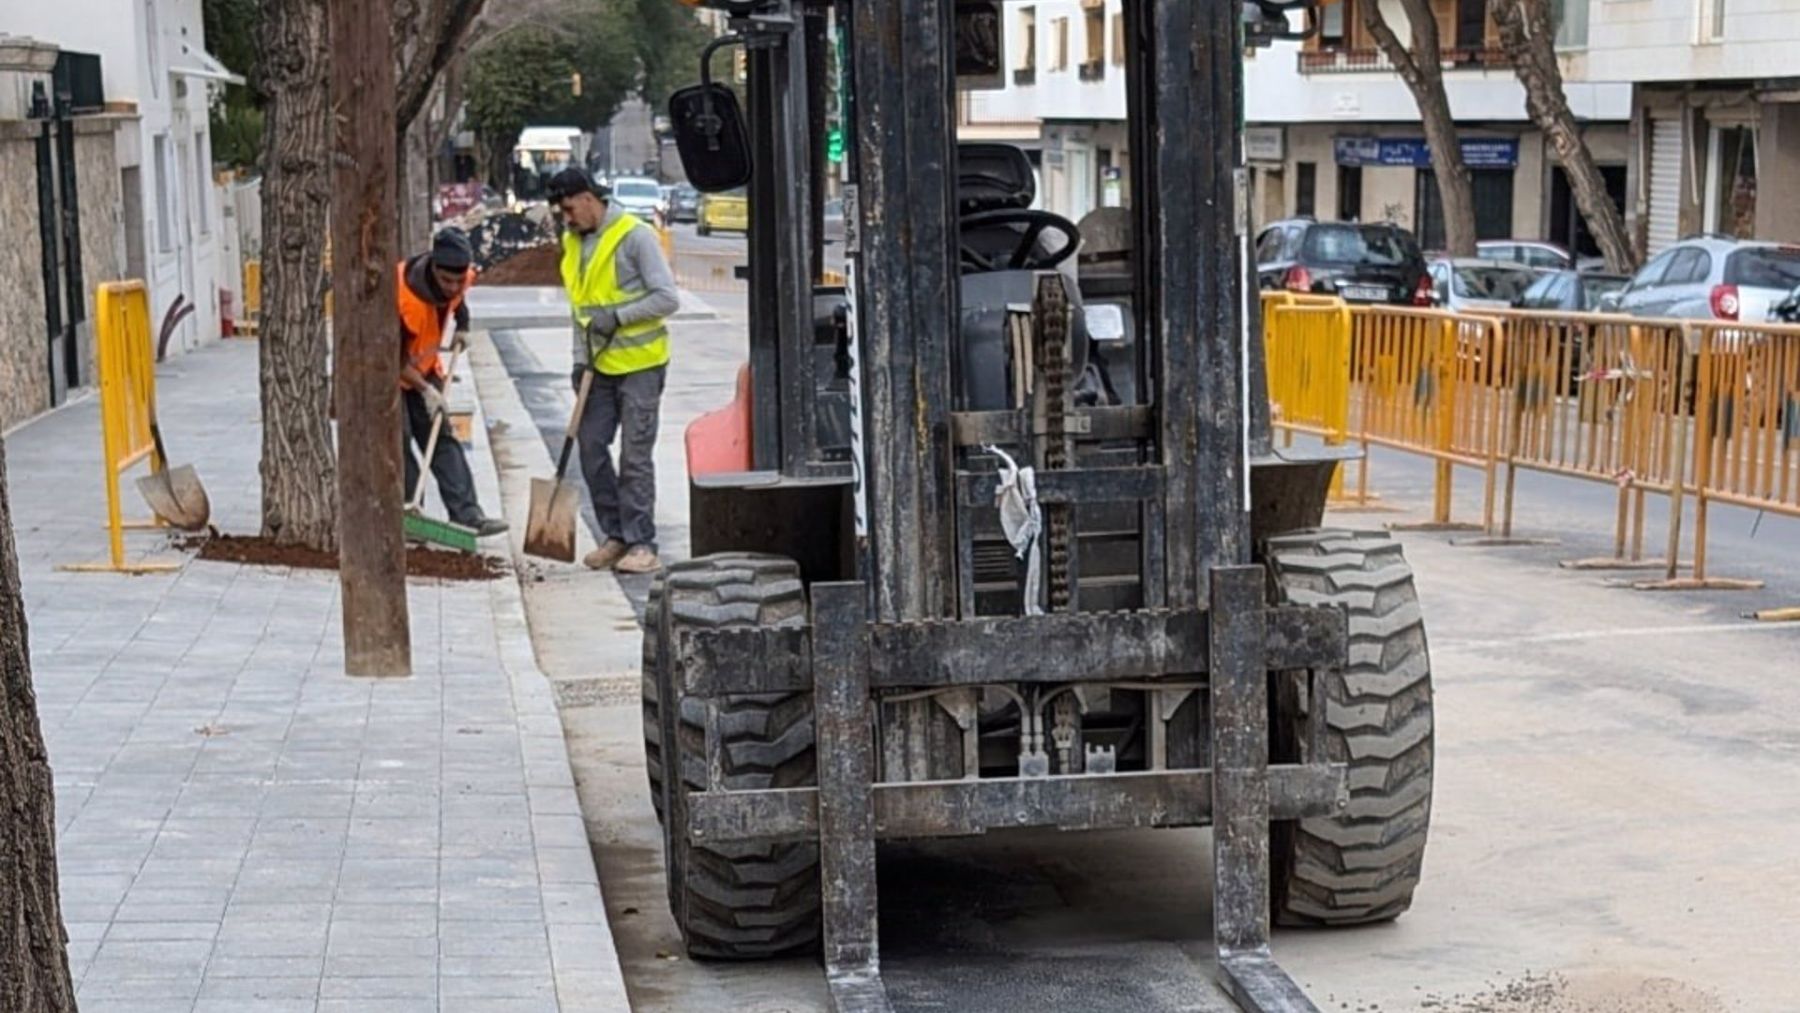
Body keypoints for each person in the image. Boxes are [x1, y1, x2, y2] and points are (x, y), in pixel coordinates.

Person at [545, 167, 680, 574]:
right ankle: (615, 535)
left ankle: (642, 543)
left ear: (589, 198)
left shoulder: (634, 236)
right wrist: (578, 361)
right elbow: (580, 311)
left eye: (569, 208)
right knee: (590, 448)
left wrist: (618, 316)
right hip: (596, 369)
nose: (567, 218)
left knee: (635, 456)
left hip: (641, 366)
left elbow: (666, 298)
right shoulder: (573, 243)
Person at [398, 228, 507, 537]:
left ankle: (468, 515)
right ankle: (408, 512)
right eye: (447, 281)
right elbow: (394, 361)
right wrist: (426, 389)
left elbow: (459, 301)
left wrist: (464, 325)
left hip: (424, 366)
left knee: (442, 437)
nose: (454, 287)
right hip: (388, 374)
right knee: (398, 440)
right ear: (433, 268)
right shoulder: (404, 298)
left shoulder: (458, 278)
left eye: (460, 281)